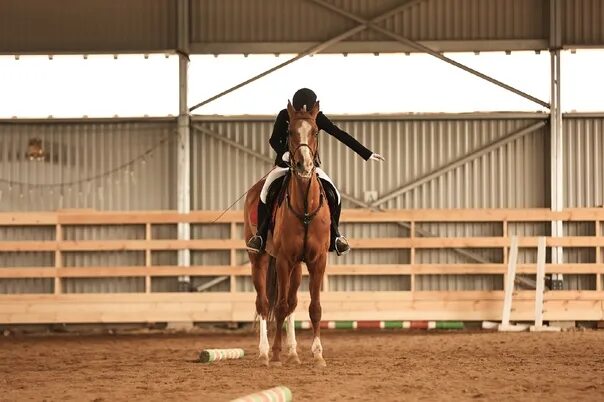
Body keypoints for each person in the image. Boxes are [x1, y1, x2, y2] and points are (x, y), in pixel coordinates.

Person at [246, 88, 384, 255]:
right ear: (295, 108)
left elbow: (339, 134)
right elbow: (274, 139)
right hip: (285, 164)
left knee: (335, 194)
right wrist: (284, 152)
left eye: (307, 110)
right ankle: (260, 236)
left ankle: (335, 236)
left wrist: (366, 153)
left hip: (311, 165)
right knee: (266, 191)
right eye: (300, 110)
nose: (304, 112)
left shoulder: (317, 117)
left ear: (312, 108)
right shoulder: (285, 115)